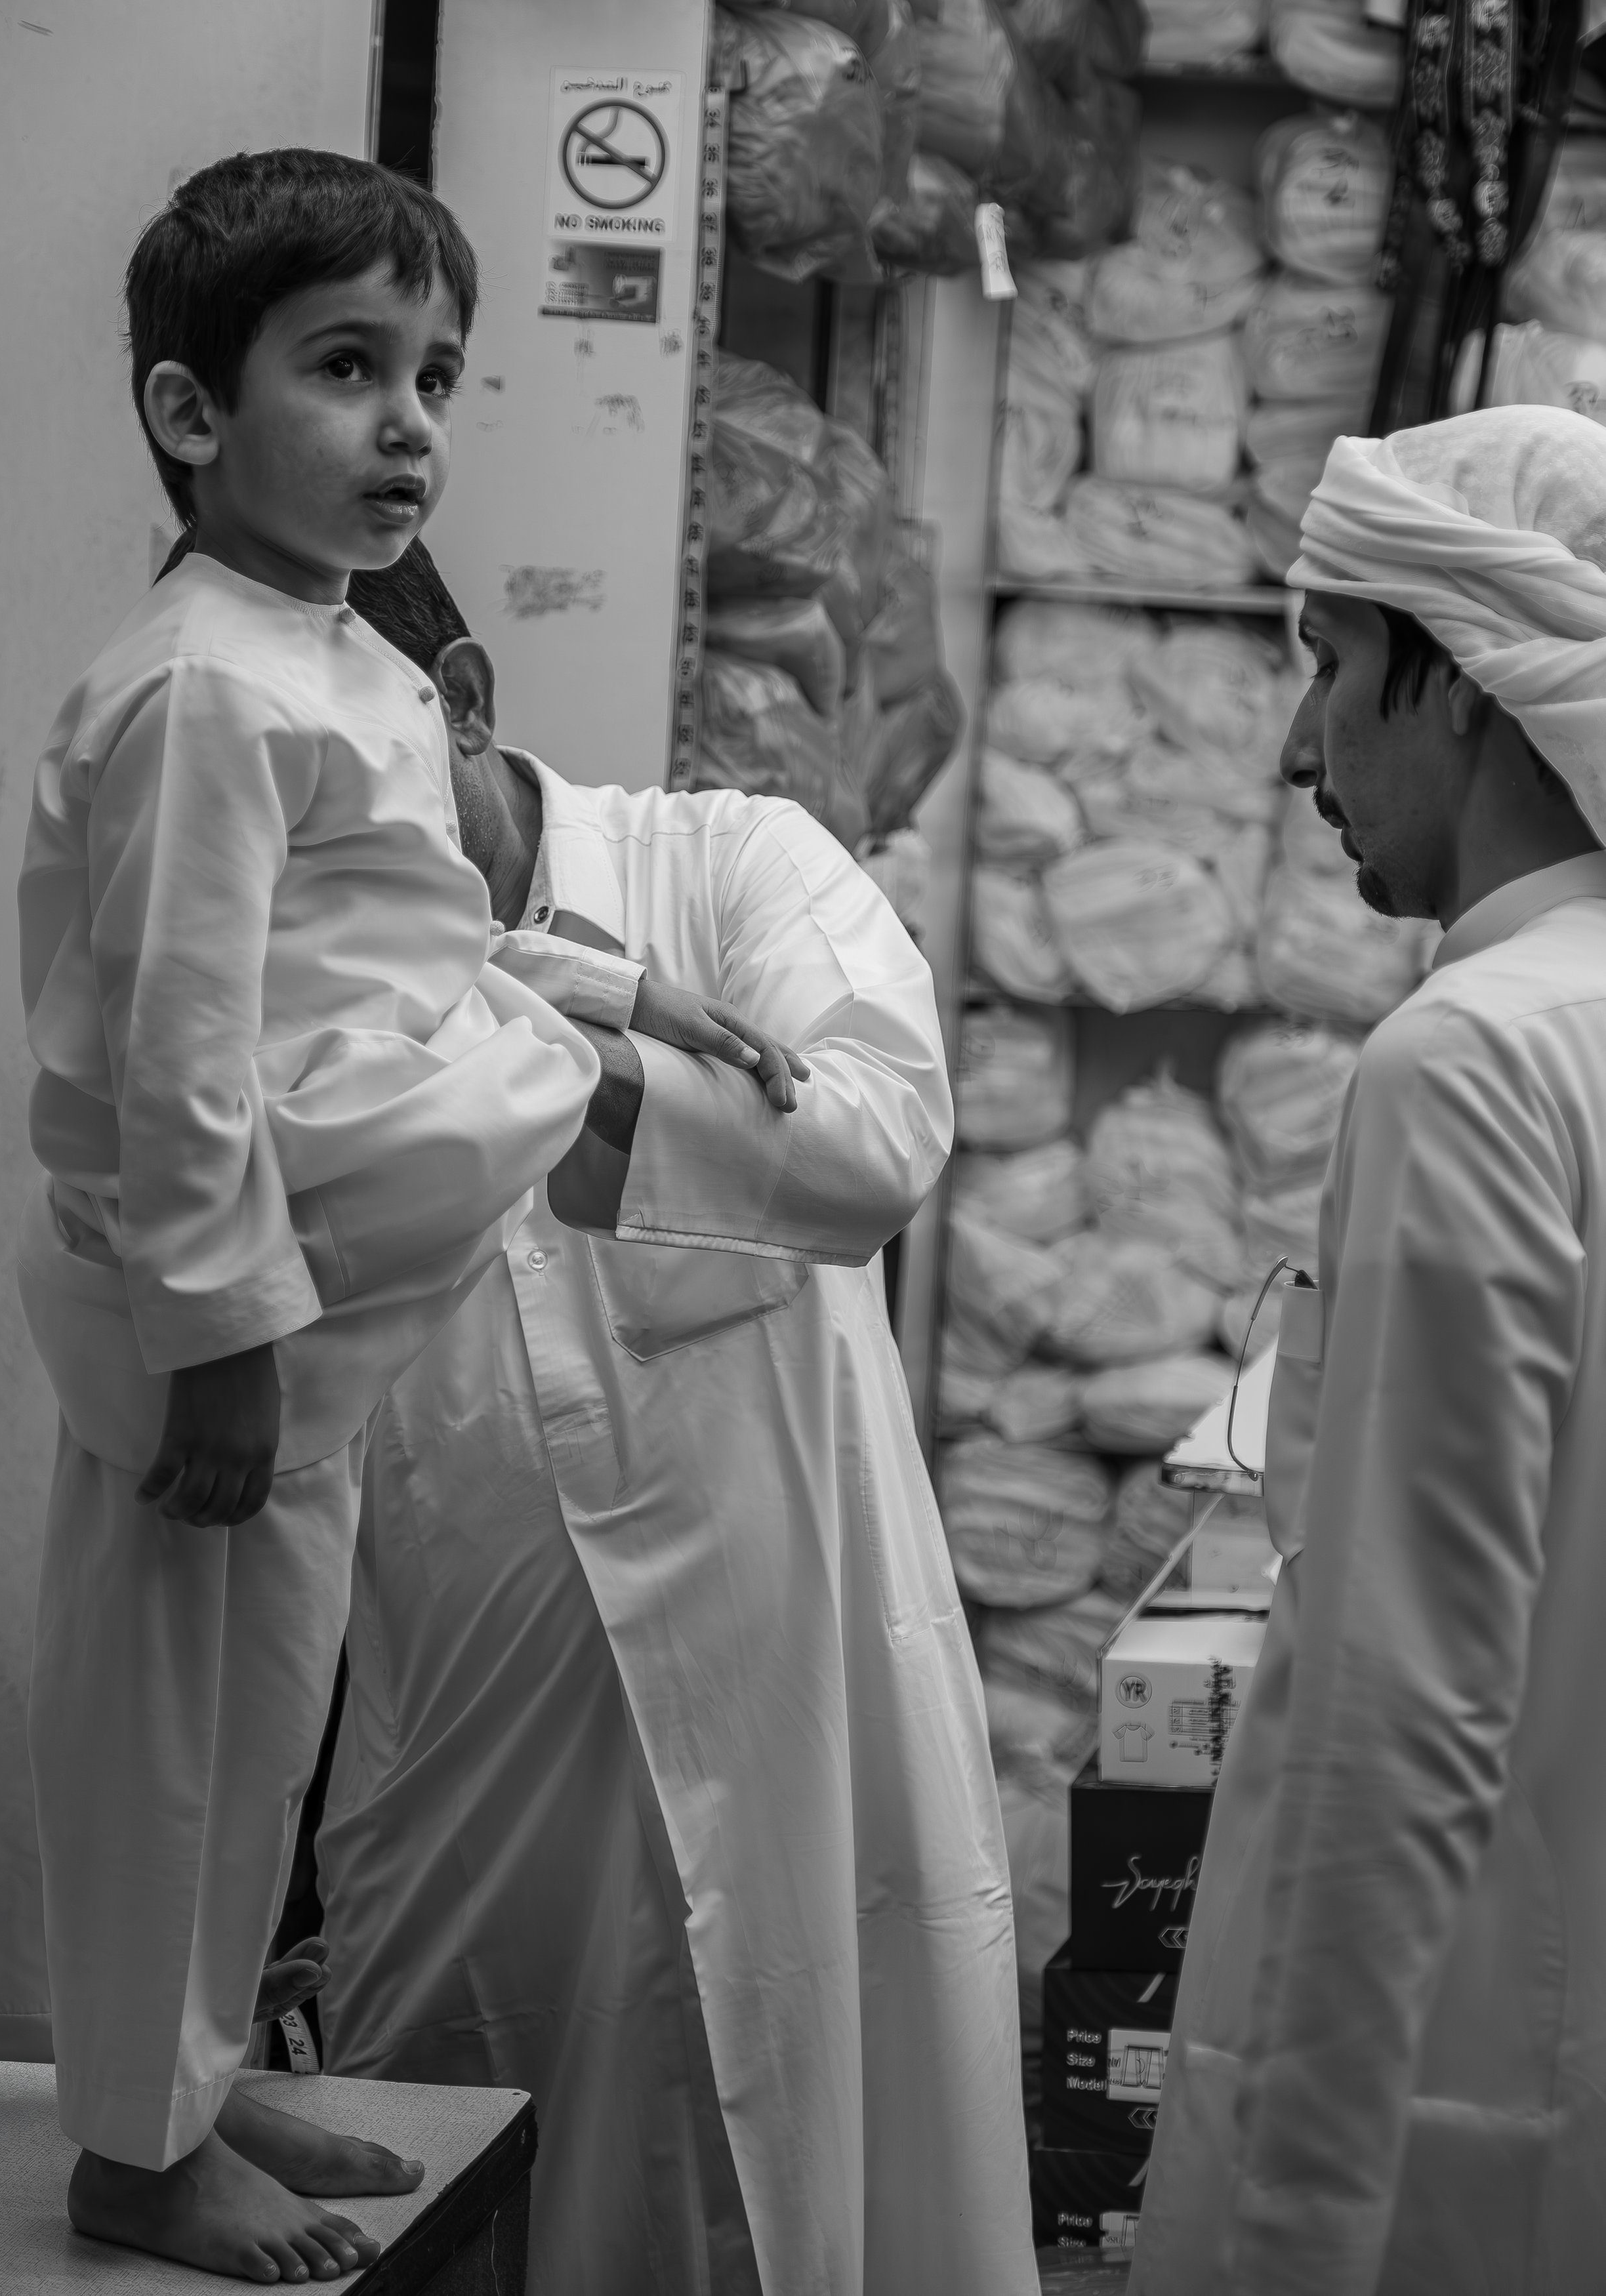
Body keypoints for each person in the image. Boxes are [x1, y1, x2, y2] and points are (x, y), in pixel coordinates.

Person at [18, 150, 790, 2288]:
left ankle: (183, 2074)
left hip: (320, 1303)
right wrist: (224, 1340)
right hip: (222, 1320)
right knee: (171, 1735)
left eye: (437, 375)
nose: (410, 424)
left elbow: (422, 946)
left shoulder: (341, 654)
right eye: (348, 368)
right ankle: (131, 2150)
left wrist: (644, 990)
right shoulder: (203, 688)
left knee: (263, 1731)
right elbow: (179, 1055)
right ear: (194, 415)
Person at [310, 543, 1039, 2296]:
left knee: (806, 2193)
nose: (324, 845)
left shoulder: (727, 866)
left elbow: (870, 1138)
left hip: (794, 1752)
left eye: (356, 780)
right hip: (471, 1792)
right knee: (470, 2195)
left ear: (466, 702)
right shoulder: (313, 989)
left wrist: (578, 1031)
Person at [1130, 405, 1606, 2295]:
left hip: (1442, 2074)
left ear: (1466, 678)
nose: (1294, 741)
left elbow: (1403, 1701)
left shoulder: (1475, 1054)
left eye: (1328, 659)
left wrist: (1294, 2219)